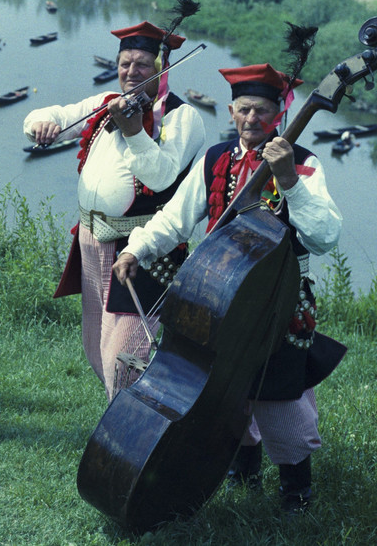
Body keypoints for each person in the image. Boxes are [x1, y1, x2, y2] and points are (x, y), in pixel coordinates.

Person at [113, 63, 345, 514]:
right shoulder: (217, 158)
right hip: (218, 298)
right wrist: (135, 250)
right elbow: (175, 218)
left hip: (277, 302)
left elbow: (324, 235)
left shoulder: (303, 162)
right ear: (231, 111)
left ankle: (296, 488)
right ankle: (243, 468)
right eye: (243, 110)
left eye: (261, 110)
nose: (251, 119)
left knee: (280, 397)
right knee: (218, 386)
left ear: (280, 113)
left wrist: (289, 181)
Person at [23, 22, 206, 401]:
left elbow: (162, 175)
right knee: (96, 344)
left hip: (142, 248)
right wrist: (40, 124)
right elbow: (57, 114)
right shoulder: (107, 103)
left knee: (126, 355)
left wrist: (135, 131)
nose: (131, 73)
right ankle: (126, 419)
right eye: (125, 64)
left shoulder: (181, 118)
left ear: (163, 68)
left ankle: (131, 436)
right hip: (91, 242)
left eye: (142, 65)